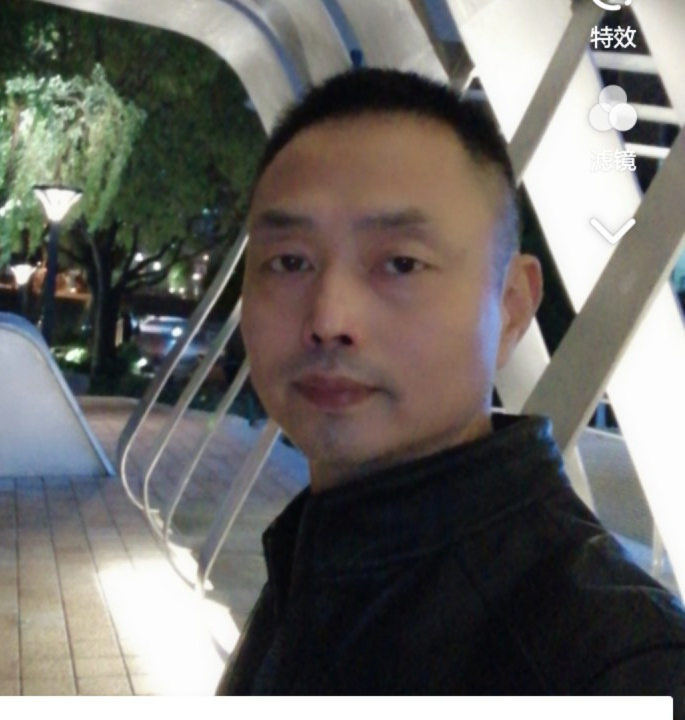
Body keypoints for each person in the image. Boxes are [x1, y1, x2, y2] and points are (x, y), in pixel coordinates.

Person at [217, 68, 685, 697]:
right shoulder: (320, 556)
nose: (329, 319)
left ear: (511, 309)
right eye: (289, 261)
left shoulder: (617, 666)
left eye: (401, 263)